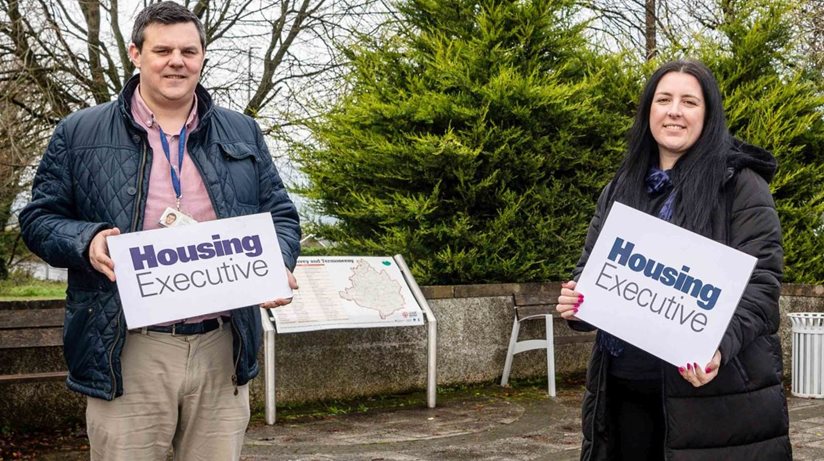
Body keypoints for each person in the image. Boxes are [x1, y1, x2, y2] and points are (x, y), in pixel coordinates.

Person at [18, 2, 301, 460]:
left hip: (221, 345)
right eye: (163, 50)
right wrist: (86, 241)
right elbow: (38, 220)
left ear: (203, 57)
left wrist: (276, 262)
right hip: (128, 346)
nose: (177, 61)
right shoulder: (79, 132)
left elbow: (281, 215)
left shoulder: (242, 131)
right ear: (135, 54)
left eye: (189, 51)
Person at [556, 60, 790, 460]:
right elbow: (591, 269)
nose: (674, 111)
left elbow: (761, 288)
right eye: (663, 99)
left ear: (708, 114)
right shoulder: (621, 186)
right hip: (622, 394)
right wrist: (578, 304)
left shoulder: (741, 187)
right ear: (649, 110)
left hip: (713, 403)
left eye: (689, 102)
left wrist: (717, 346)